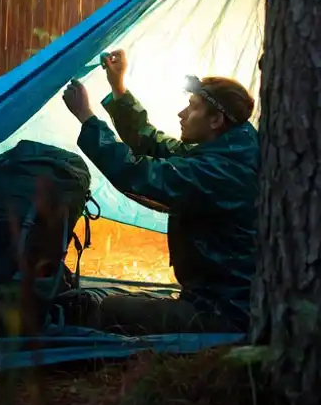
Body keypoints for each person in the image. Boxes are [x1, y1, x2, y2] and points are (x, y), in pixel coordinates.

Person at [60, 49, 259, 335]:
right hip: (220, 303)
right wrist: (118, 88)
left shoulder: (220, 173)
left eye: (192, 107)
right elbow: (154, 145)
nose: (182, 113)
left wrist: (87, 118)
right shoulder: (229, 154)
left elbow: (136, 173)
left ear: (216, 120)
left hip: (223, 314)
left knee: (102, 309)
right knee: (114, 304)